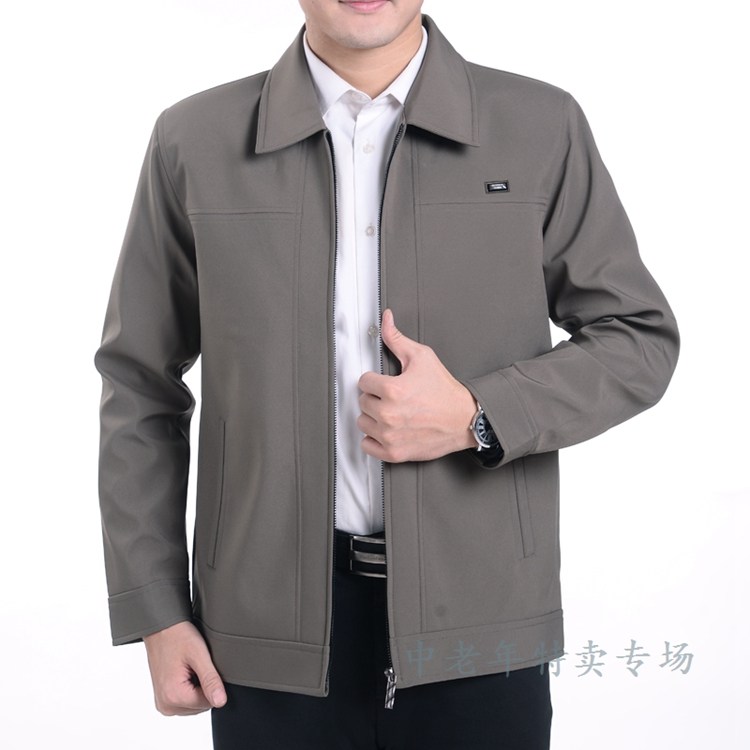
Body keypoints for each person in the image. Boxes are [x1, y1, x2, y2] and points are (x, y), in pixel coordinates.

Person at [94, 1, 680, 748]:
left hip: (482, 625)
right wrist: (157, 609)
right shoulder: (194, 139)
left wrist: (478, 414)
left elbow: (638, 338)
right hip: (263, 633)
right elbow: (139, 382)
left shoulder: (540, 125)